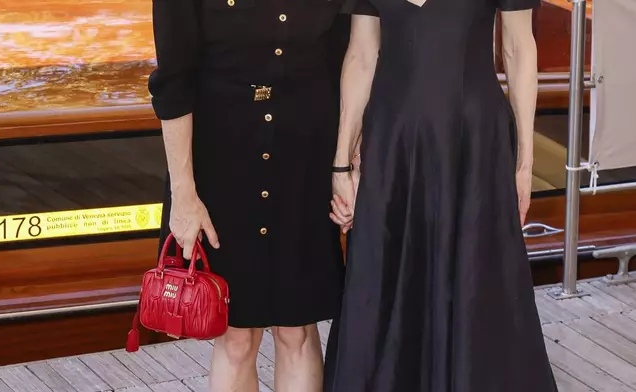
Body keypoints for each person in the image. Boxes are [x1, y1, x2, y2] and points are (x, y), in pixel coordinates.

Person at [325, 0, 559, 391]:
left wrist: (524, 162)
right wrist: (341, 163)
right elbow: (361, 55)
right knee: (383, 277)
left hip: (473, 146)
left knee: (475, 277)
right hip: (392, 148)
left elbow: (519, 49)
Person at [148, 1, 353, 390]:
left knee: (298, 329)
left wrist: (347, 162)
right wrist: (183, 194)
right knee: (236, 335)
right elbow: (173, 82)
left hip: (304, 164)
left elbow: (347, 59)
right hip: (220, 166)